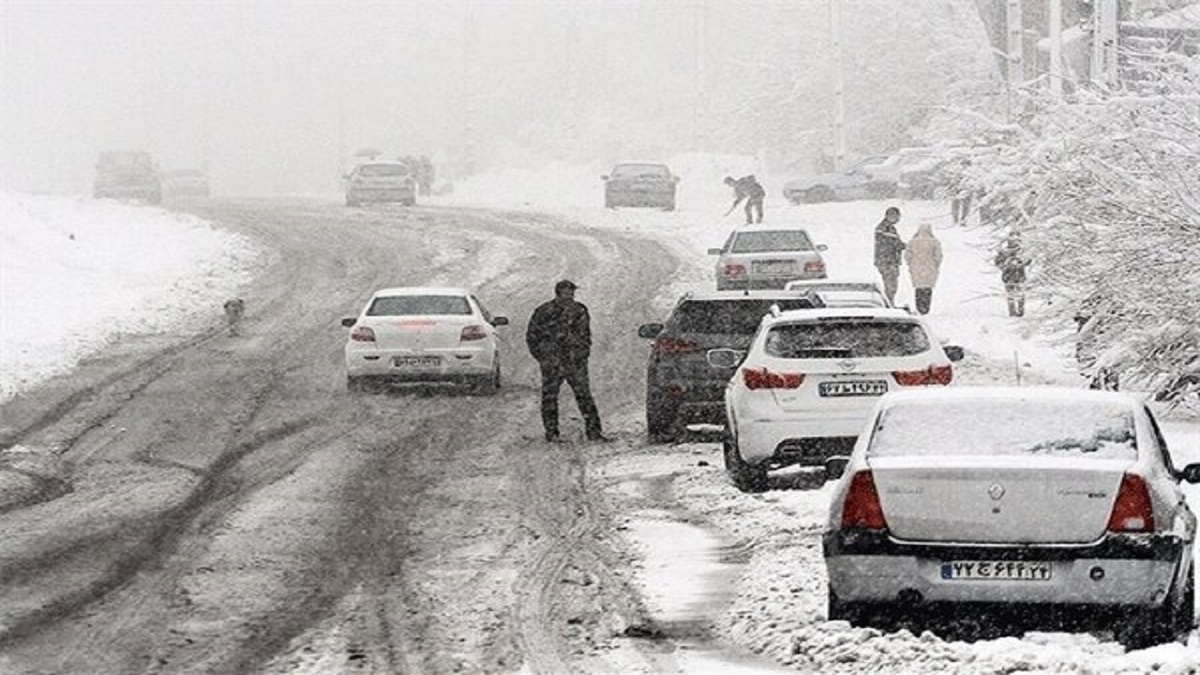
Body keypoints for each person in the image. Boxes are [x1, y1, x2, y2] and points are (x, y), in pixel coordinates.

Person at [525, 280, 608, 442]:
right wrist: (543, 357)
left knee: (584, 395)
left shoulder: (580, 310)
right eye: (566, 292)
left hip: (575, 361)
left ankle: (594, 432)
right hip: (553, 361)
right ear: (558, 293)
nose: (569, 296)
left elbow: (585, 335)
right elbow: (532, 336)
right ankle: (552, 432)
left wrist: (582, 353)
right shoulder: (544, 311)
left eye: (571, 292)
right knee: (550, 397)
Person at [903, 222, 943, 314]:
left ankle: (919, 306)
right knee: (927, 289)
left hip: (916, 268)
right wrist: (936, 264)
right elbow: (939, 256)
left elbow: (907, 255)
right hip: (930, 268)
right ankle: (926, 307)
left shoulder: (913, 241)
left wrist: (911, 264)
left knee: (919, 289)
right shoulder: (934, 241)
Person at [873, 207, 905, 306]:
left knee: (891, 283)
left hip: (888, 260)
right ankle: (889, 303)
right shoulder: (884, 228)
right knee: (890, 284)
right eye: (896, 216)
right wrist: (902, 246)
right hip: (887, 261)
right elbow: (890, 243)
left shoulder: (888, 227)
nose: (898, 219)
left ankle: (890, 302)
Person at [993, 231, 1030, 317]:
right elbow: (998, 263)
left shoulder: (1022, 251)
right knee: (1010, 295)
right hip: (1008, 276)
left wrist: (1021, 262)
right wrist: (1006, 264)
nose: (1014, 241)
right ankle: (1012, 311)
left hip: (1019, 275)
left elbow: (1028, 260)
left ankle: (1020, 311)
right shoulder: (1004, 252)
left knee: (1020, 294)